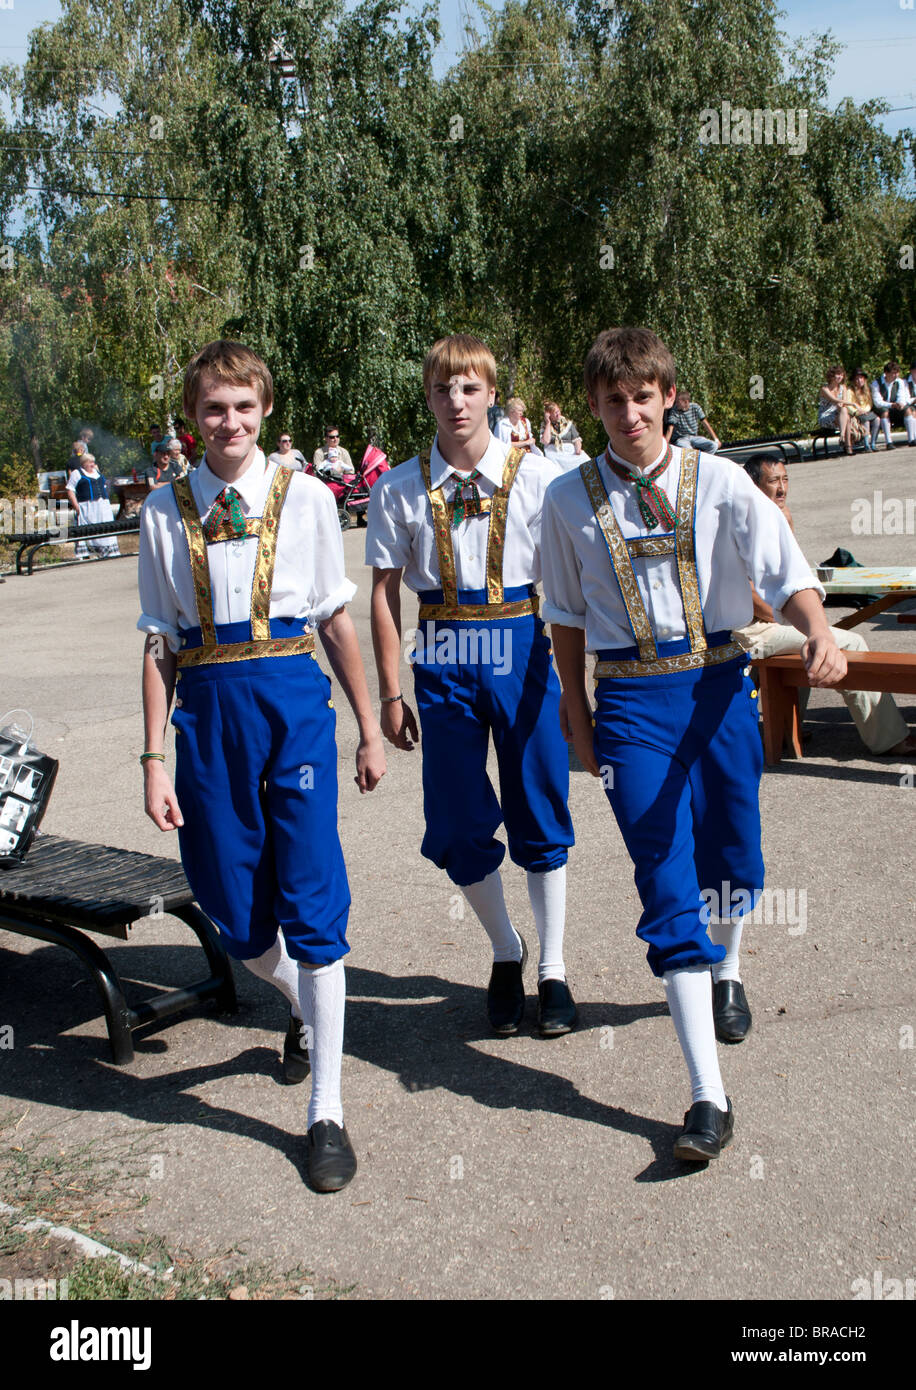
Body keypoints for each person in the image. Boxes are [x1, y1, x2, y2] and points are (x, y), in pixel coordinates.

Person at [540, 326, 847, 1162]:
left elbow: (787, 572)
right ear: (594, 407)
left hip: (718, 685)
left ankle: (728, 970)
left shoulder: (722, 481)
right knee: (663, 880)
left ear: (668, 396)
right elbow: (564, 617)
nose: (629, 413)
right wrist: (576, 713)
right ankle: (707, 1097)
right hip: (632, 701)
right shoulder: (567, 500)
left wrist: (818, 631)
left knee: (735, 857)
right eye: (613, 400)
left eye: (643, 397)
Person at [137, 339, 385, 1192]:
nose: (230, 422)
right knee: (235, 913)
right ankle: (298, 1003)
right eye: (214, 408)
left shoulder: (308, 496)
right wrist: (153, 758)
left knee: (313, 899)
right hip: (208, 713)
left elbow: (336, 621)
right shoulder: (162, 510)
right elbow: (160, 645)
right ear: (193, 416)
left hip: (291, 705)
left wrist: (368, 727)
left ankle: (327, 1110)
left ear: (266, 410)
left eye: (244, 406)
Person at [366, 334, 577, 1037]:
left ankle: (553, 968)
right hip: (443, 645)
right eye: (441, 389)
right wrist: (390, 694)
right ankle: (504, 949)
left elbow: (573, 584)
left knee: (539, 803)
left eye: (468, 388)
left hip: (521, 638)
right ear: (427, 396)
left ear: (491, 393)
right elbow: (383, 593)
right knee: (456, 820)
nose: (455, 401)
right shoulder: (397, 487)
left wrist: (580, 684)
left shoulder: (543, 476)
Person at [735, 455, 916, 756]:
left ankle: (784, 732)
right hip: (750, 631)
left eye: (785, 480)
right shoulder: (741, 520)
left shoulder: (779, 515)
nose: (781, 488)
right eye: (773, 481)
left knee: (808, 642)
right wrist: (798, 619)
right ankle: (889, 738)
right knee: (845, 641)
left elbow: (787, 573)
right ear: (755, 485)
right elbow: (751, 595)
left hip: (770, 625)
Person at [66, 452, 120, 558]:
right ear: (84, 463)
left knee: (106, 526)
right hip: (88, 507)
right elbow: (70, 490)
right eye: (90, 462)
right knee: (90, 529)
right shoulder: (77, 473)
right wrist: (76, 506)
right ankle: (90, 552)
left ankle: (108, 552)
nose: (92, 464)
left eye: (93, 462)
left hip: (103, 506)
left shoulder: (97, 472)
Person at [870, 362, 916, 449]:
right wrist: (891, 405)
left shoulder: (900, 382)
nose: (896, 375)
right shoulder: (876, 383)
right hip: (882, 408)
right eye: (893, 373)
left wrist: (900, 404)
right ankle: (889, 442)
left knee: (908, 410)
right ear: (886, 373)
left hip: (895, 407)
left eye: (897, 373)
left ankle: (911, 440)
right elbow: (878, 402)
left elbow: (901, 396)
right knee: (885, 412)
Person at [664, 389, 721, 453]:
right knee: (689, 450)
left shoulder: (695, 407)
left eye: (678, 402)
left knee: (714, 445)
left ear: (686, 402)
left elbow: (705, 424)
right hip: (681, 439)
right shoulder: (675, 411)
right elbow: (670, 428)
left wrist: (716, 439)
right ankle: (695, 460)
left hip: (694, 437)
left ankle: (703, 459)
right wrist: (665, 446)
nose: (676, 404)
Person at [817, 366, 857, 455]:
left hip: (839, 414)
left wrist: (842, 405)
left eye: (841, 375)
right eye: (838, 375)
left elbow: (844, 403)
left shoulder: (843, 387)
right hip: (826, 415)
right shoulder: (825, 389)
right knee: (846, 418)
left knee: (844, 411)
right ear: (831, 376)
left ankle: (842, 436)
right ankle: (848, 446)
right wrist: (852, 404)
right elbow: (834, 400)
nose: (840, 377)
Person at [847, 369, 878, 453]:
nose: (859, 380)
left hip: (866, 411)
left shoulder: (867, 389)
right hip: (856, 413)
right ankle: (866, 444)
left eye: (861, 378)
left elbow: (869, 403)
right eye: (857, 379)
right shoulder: (850, 390)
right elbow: (848, 404)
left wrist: (865, 410)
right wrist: (857, 411)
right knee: (866, 421)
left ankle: (873, 443)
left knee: (877, 420)